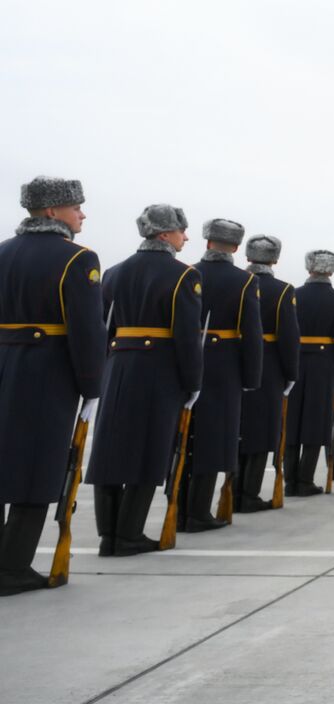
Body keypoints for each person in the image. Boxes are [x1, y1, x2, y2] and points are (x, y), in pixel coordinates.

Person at [0, 177, 105, 595]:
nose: (82, 214)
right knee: (36, 467)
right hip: (47, 373)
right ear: (51, 212)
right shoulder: (76, 259)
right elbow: (86, 331)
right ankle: (12, 567)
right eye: (75, 206)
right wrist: (92, 386)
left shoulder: (3, 253)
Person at [86, 205, 203, 555]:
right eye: (182, 230)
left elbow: (102, 328)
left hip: (117, 366)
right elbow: (186, 336)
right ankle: (130, 534)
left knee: (110, 449)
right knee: (148, 450)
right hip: (160, 369)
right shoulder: (184, 275)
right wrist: (193, 381)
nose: (186, 237)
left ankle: (109, 534)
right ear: (165, 234)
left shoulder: (113, 272)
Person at [181, 219, 262, 532]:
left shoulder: (186, 272)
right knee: (214, 441)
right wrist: (250, 378)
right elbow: (251, 334)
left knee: (184, 440)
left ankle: (182, 503)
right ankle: (198, 512)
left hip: (185, 363)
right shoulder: (243, 281)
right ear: (237, 247)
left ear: (206, 241)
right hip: (224, 366)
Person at [283, 250, 334, 496]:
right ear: (332, 271)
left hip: (293, 362)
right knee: (316, 423)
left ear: (308, 268)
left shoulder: (292, 294)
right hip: (324, 366)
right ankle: (305, 479)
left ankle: (289, 480)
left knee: (291, 423)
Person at [236, 234, 299, 512]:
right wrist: (291, 373)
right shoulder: (283, 290)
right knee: (261, 433)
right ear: (275, 259)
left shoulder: (239, 281)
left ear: (247, 255)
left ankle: (233, 489)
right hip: (269, 366)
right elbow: (288, 336)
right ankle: (248, 493)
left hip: (231, 362)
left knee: (236, 430)